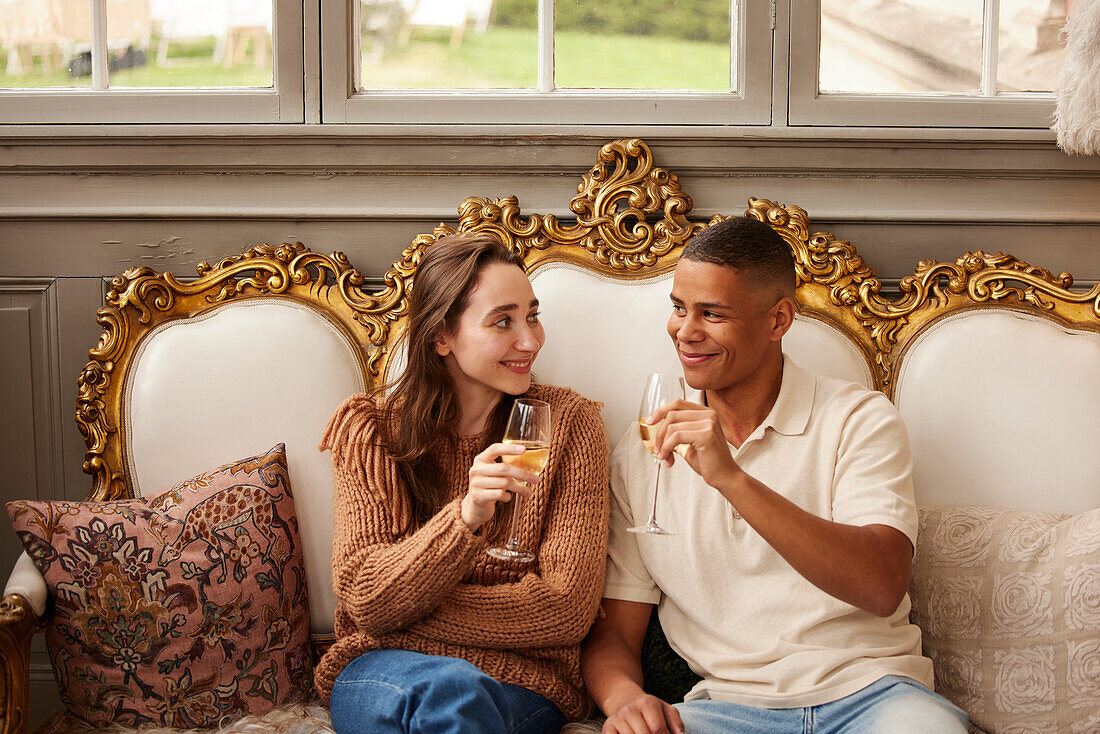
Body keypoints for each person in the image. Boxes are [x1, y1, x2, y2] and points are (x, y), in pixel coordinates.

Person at [580, 216, 968, 734]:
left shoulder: (858, 420)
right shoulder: (643, 450)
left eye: (711, 314)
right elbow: (615, 633)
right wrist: (625, 698)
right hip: (725, 707)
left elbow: (881, 586)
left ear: (778, 320)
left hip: (873, 697)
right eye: (678, 308)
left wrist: (731, 478)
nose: (684, 331)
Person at [315, 232, 610, 734]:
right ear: (441, 336)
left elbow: (565, 612)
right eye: (503, 322)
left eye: (533, 316)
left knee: (459, 698)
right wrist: (465, 517)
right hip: (385, 671)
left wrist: (401, 610)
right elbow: (363, 594)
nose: (531, 341)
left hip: (522, 685)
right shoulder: (372, 430)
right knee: (444, 694)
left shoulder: (570, 424)